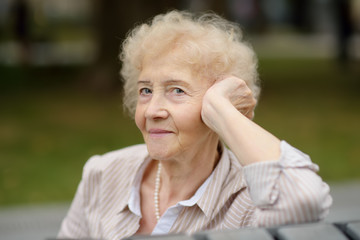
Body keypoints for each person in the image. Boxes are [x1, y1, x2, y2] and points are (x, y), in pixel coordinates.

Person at [58, 10, 332, 239]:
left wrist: (225, 112)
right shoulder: (103, 173)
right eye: (145, 91)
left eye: (177, 90)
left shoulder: (249, 198)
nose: (152, 110)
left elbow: (304, 200)